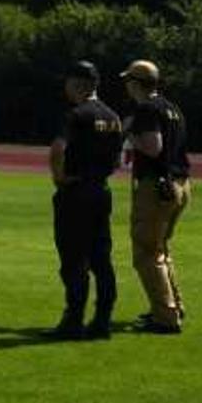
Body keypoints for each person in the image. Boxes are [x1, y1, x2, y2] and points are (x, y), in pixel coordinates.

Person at [47, 60, 127, 340]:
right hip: (101, 192)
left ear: (75, 84)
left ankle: (73, 319)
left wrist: (59, 177)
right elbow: (119, 159)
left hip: (75, 191)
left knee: (72, 259)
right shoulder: (113, 117)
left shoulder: (75, 114)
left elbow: (58, 149)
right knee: (101, 258)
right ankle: (102, 320)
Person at [121, 60, 191, 335]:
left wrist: (128, 132)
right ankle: (172, 305)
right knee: (161, 248)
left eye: (128, 81)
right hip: (181, 182)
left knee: (146, 252)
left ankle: (165, 316)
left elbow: (153, 147)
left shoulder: (146, 109)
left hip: (157, 186)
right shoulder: (172, 107)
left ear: (136, 83)